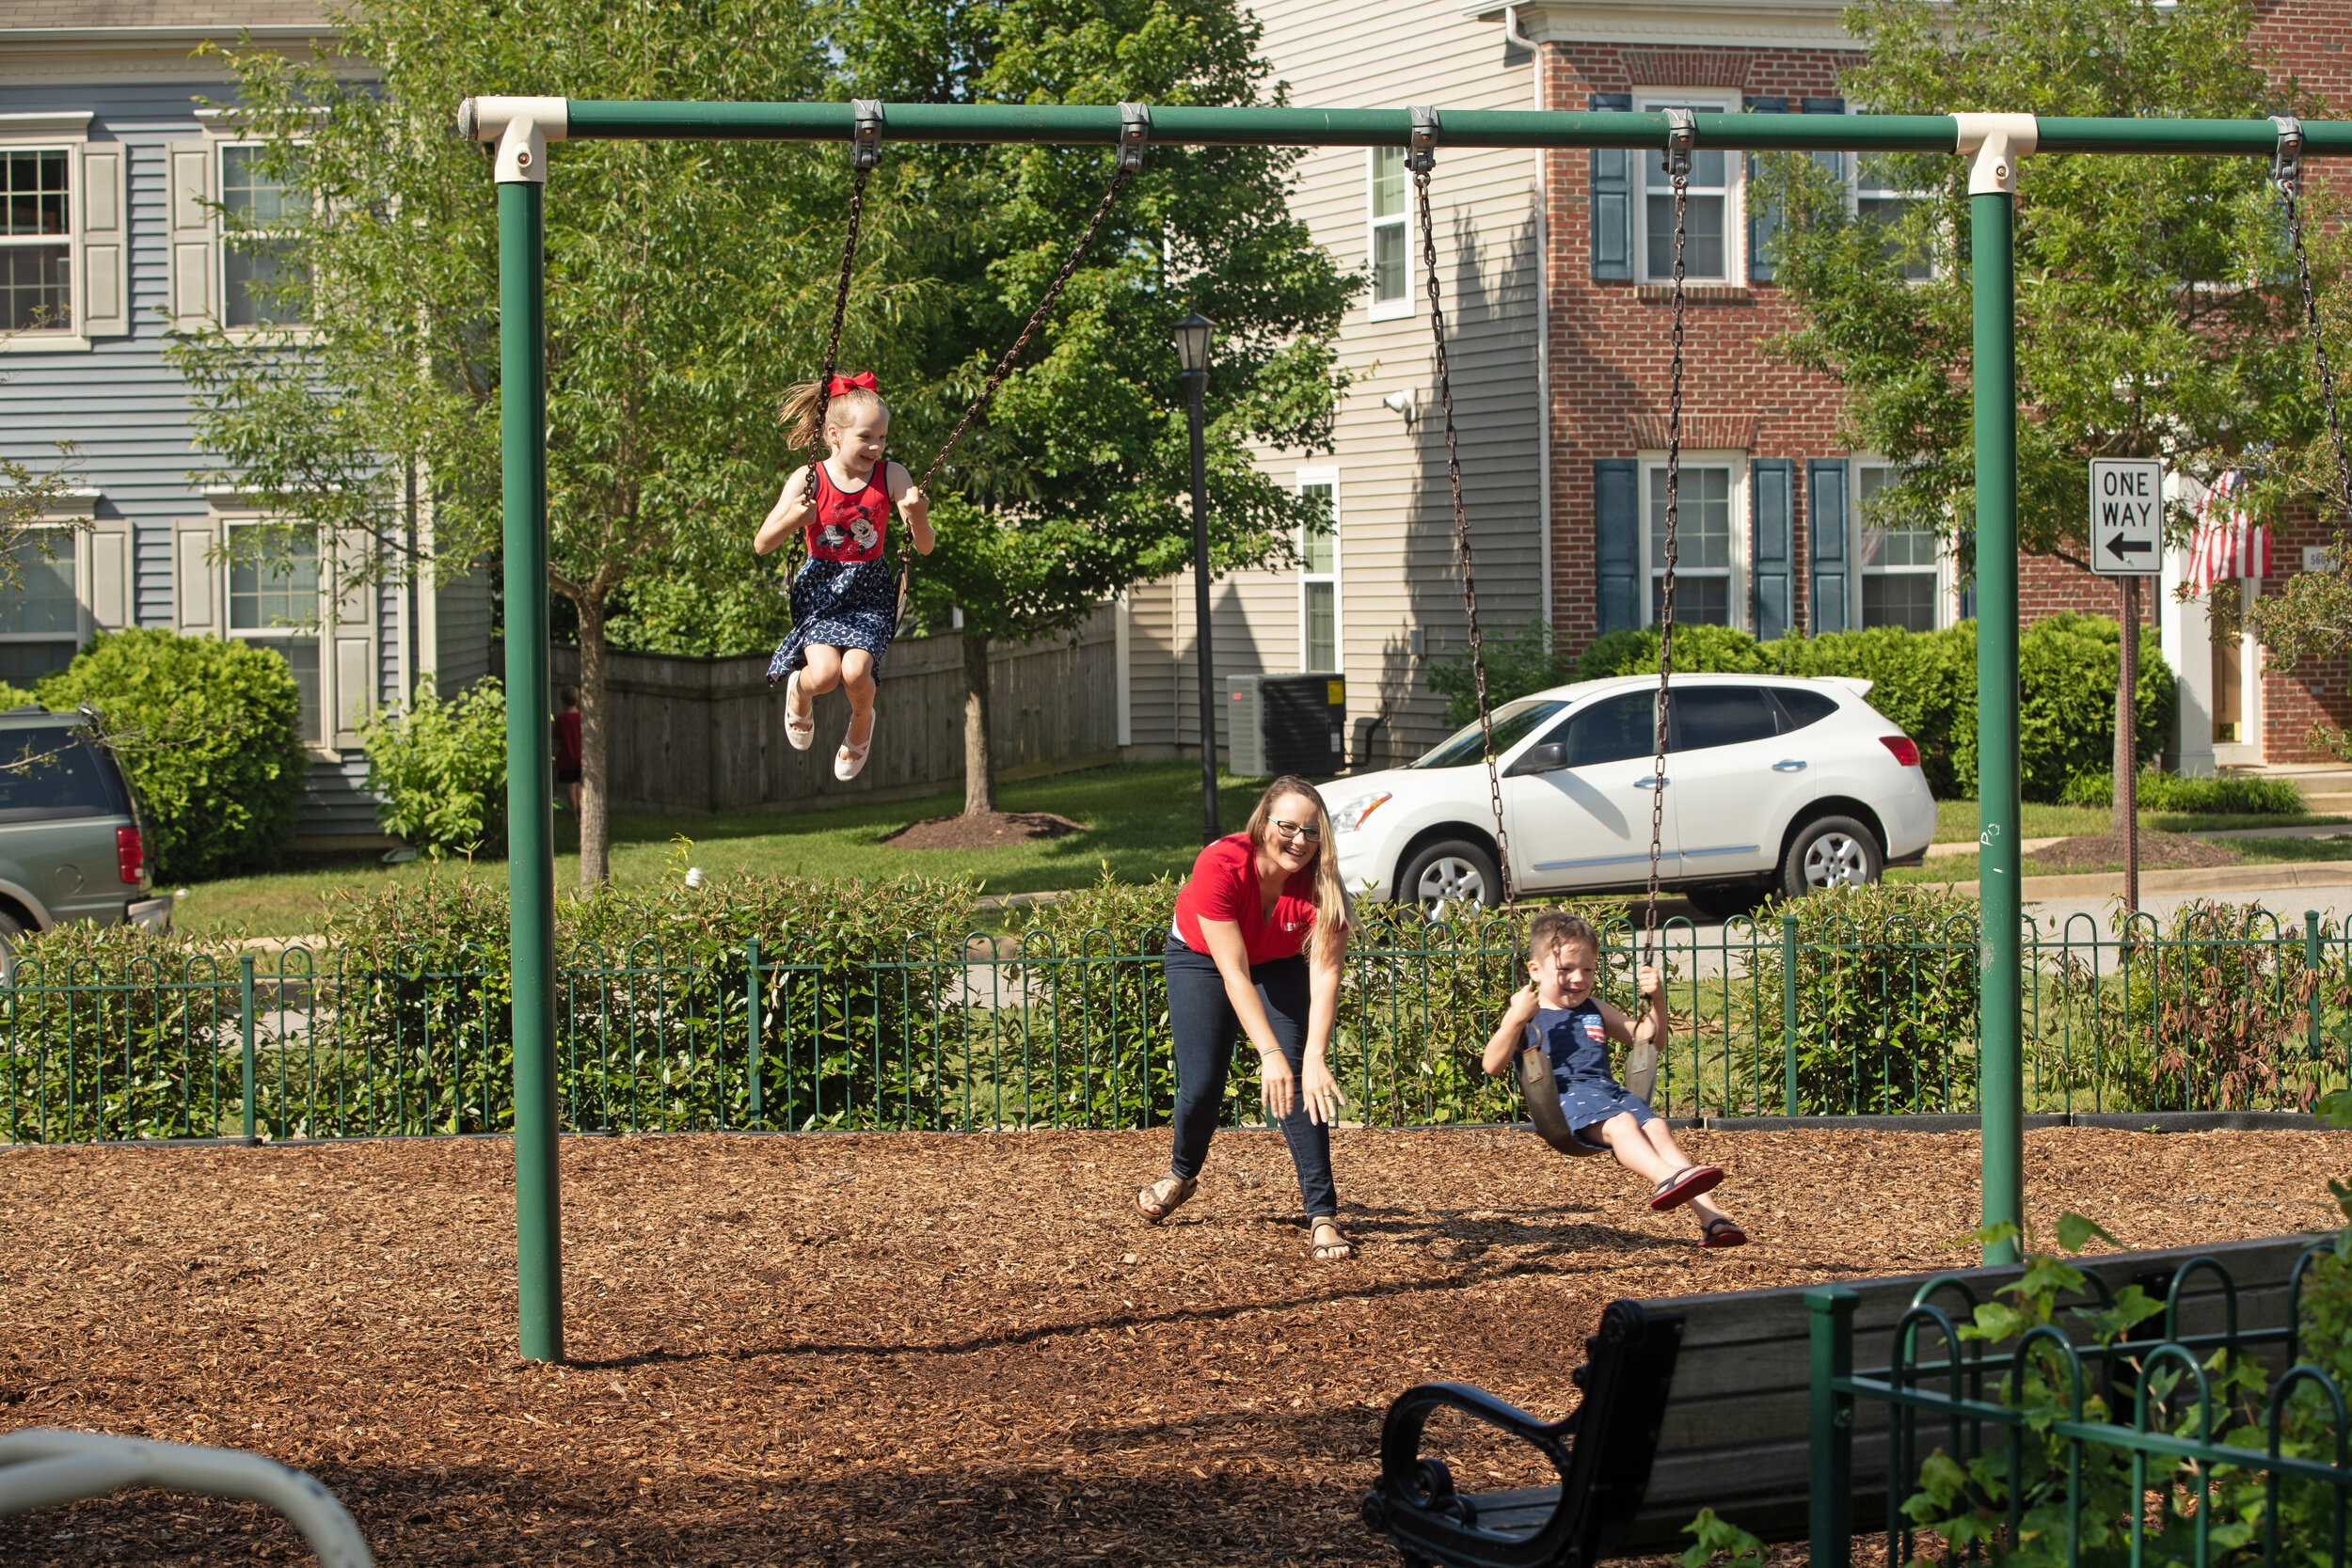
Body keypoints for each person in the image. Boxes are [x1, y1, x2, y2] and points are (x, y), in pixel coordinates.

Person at [1136, 776, 1357, 1260]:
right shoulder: (1219, 863)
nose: (1301, 841)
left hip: (1277, 961)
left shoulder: (1323, 884)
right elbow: (1233, 974)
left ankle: (1322, 1215)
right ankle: (1182, 1174)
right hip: (1202, 957)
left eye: (1313, 831)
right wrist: (1269, 1053)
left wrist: (1312, 1056)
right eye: (1289, 827)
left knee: (1300, 1079)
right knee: (1202, 1086)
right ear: (1263, 824)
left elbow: (1326, 976)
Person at [1482, 911, 1746, 1247]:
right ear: (1535, 970)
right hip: (1565, 1105)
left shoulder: (1593, 1007)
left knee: (1658, 1129)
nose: (1578, 979)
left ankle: (1712, 1219)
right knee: (1622, 1125)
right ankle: (1667, 1178)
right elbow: (1492, 1065)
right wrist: (1514, 1020)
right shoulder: (1527, 1014)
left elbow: (1649, 1039)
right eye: (1565, 970)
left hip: (1609, 1095)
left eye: (1588, 969)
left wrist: (1658, 998)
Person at [755, 372, 934, 782]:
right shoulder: (808, 479)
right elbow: (762, 543)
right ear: (834, 434)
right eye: (866, 437)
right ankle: (798, 690)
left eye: (883, 438)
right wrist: (794, 519)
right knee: (825, 675)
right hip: (820, 588)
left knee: (856, 673)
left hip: (869, 590)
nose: (877, 446)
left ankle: (861, 722)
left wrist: (918, 516)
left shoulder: (891, 475)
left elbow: (923, 545)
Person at [552, 687, 583, 816]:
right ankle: (583, 812)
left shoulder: (562, 719)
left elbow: (557, 739)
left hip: (567, 758)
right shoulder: (582, 717)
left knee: (570, 787)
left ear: (563, 701)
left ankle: (575, 814)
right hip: (581, 757)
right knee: (578, 784)